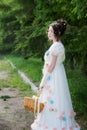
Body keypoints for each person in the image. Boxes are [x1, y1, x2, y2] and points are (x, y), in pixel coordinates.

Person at [31, 19, 80, 130]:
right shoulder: (57, 45)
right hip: (56, 74)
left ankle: (55, 125)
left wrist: (42, 83)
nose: (48, 33)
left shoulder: (56, 46)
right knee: (54, 98)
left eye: (51, 31)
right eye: (48, 31)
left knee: (53, 97)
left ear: (57, 33)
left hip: (53, 76)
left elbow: (51, 66)